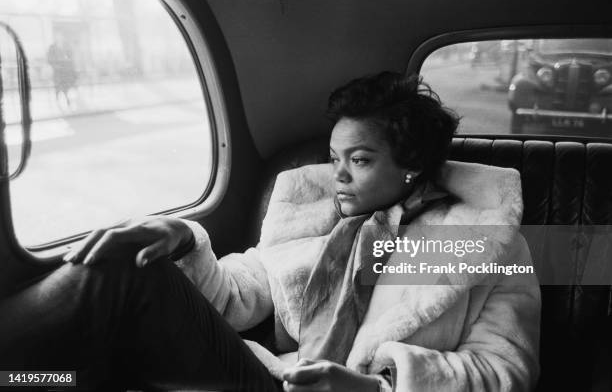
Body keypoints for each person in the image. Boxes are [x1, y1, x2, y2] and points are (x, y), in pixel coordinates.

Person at [0, 72, 540, 391]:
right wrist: (185, 239)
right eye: (334, 158)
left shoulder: (487, 243)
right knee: (128, 272)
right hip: (276, 381)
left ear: (411, 165)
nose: (339, 175)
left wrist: (373, 387)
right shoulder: (313, 219)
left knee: (122, 281)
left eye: (360, 159)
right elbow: (238, 296)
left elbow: (504, 372)